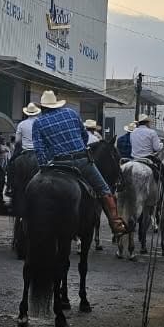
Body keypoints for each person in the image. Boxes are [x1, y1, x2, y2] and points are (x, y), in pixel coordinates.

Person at [30, 90, 128, 236]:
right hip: (82, 161)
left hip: (57, 164)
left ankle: (27, 217)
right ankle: (116, 223)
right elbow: (84, 136)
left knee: (32, 187)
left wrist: (44, 166)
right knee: (104, 190)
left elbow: (39, 150)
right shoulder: (70, 113)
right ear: (57, 104)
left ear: (42, 107)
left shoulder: (38, 122)